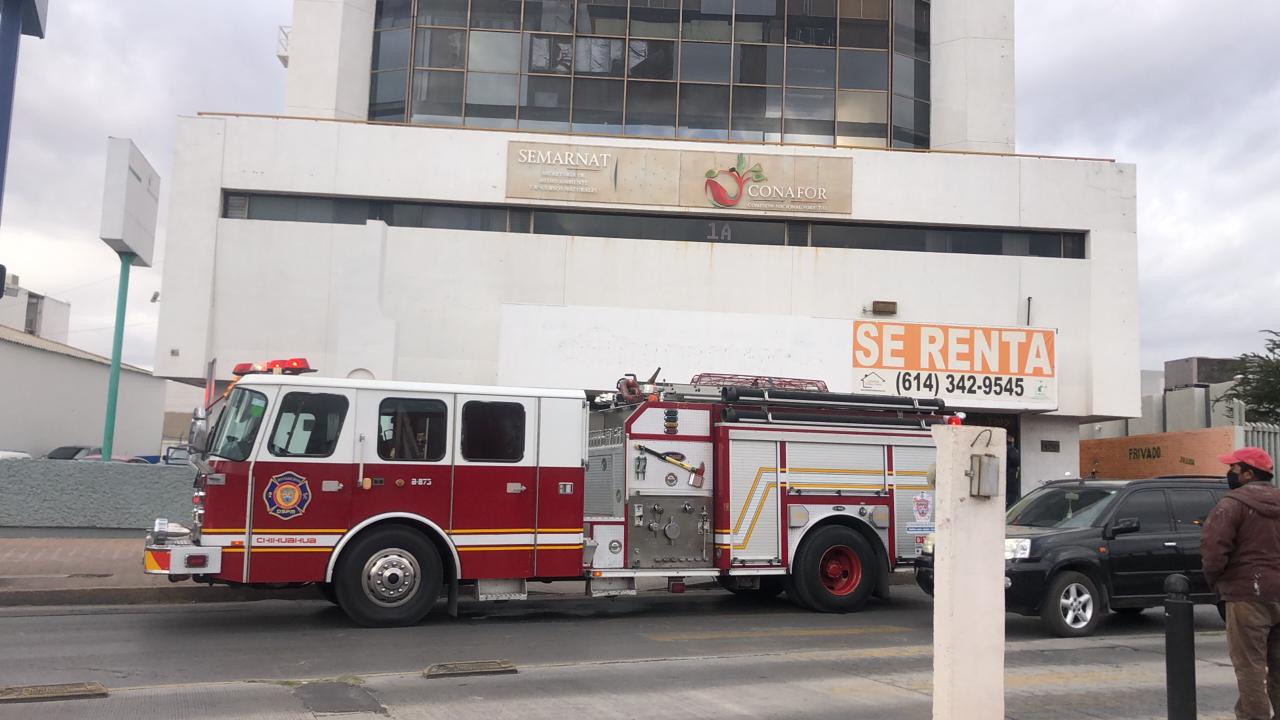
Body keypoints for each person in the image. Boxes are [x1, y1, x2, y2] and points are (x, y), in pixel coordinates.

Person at [1201, 447, 1280, 720]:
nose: (1229, 473)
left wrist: (1217, 585)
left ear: (1248, 474)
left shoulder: (1231, 505)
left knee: (1250, 667)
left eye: (1233, 468)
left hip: (1247, 594)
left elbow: (1213, 553)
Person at [1005, 435, 1021, 509]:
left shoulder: (1003, 448)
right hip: (1010, 473)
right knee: (1012, 493)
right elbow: (1016, 461)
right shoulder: (1011, 449)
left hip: (1006, 473)